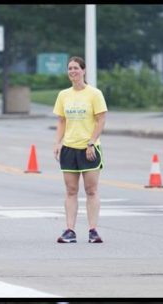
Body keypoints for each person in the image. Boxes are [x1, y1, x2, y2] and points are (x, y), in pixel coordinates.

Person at [54, 56, 107, 244]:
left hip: (89, 148)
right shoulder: (63, 95)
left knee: (91, 189)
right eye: (70, 68)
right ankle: (70, 230)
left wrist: (91, 141)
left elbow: (101, 119)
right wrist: (58, 143)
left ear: (83, 71)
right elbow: (61, 120)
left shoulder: (94, 94)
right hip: (69, 148)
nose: (73, 71)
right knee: (71, 190)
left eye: (76, 68)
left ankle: (93, 230)